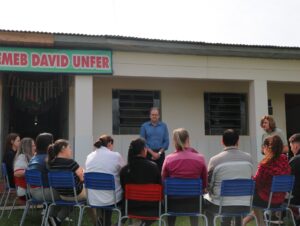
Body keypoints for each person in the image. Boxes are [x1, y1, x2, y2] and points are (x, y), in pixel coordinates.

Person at [204, 129, 253, 226]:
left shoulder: (215, 160)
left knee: (208, 206)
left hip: (222, 205)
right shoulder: (249, 158)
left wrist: (209, 193)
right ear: (238, 141)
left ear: (222, 141)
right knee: (235, 201)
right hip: (244, 205)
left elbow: (209, 184)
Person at [162, 128, 208, 226]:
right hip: (195, 203)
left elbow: (163, 180)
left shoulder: (168, 159)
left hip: (173, 203)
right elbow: (204, 185)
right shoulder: (200, 158)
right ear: (187, 139)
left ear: (174, 141)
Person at [243, 135, 291, 226]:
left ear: (266, 148)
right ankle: (250, 221)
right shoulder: (285, 160)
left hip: (268, 200)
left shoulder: (265, 165)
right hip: (281, 200)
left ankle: (260, 223)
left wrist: (250, 178)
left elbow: (256, 183)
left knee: (251, 195)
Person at [27, 132, 67, 226]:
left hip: (33, 192)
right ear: (49, 144)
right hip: (44, 193)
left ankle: (49, 218)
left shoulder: (34, 158)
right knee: (71, 195)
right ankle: (56, 220)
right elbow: (59, 176)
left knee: (62, 194)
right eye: (52, 142)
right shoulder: (47, 159)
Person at [120, 138, 161, 226]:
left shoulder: (124, 170)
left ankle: (139, 223)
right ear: (143, 150)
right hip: (151, 209)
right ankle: (143, 223)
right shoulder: (154, 167)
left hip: (130, 208)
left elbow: (123, 188)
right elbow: (159, 187)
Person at [85, 135, 125, 226]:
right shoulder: (116, 156)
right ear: (110, 143)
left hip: (93, 198)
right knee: (124, 198)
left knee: (104, 194)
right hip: (111, 198)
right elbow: (125, 171)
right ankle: (118, 223)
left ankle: (103, 222)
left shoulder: (89, 156)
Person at [140, 107, 169, 171]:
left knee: (160, 174)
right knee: (148, 174)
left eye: (156, 115)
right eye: (152, 115)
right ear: (150, 116)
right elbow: (142, 142)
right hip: (148, 154)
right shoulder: (144, 126)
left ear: (159, 116)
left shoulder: (164, 126)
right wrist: (153, 153)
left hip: (160, 154)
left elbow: (166, 142)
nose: (154, 116)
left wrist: (158, 153)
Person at [288, 133, 300, 225]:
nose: (291, 148)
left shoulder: (295, 160)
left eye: (291, 146)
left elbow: (285, 179)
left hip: (295, 199)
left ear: (296, 146)